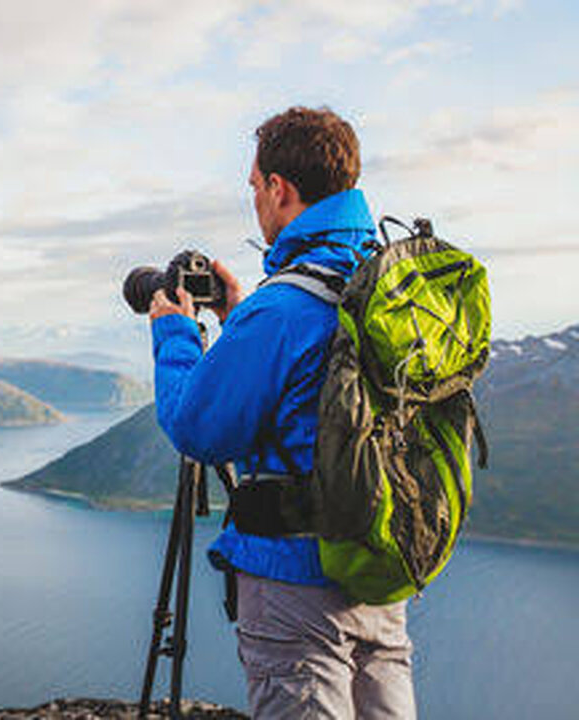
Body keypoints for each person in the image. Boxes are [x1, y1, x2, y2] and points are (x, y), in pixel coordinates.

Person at [147, 107, 416, 719]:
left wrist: (175, 336)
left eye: (254, 187)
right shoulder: (379, 282)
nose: (255, 202)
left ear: (279, 188)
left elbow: (199, 429)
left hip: (296, 584)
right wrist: (242, 314)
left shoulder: (284, 308)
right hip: (378, 564)